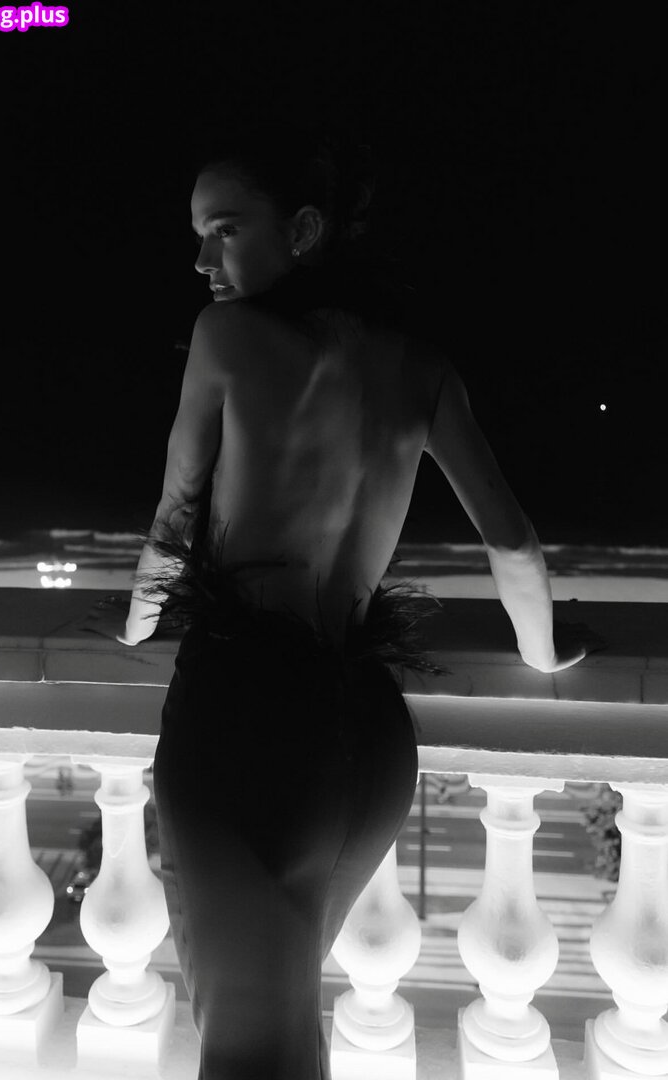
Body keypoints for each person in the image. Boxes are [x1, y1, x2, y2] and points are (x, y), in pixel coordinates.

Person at [119, 125, 599, 1080]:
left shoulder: (227, 338)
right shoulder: (422, 368)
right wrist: (544, 653)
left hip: (245, 725)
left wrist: (135, 627)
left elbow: (176, 516)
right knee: (284, 1035)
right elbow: (513, 544)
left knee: (248, 1047)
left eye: (225, 230)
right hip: (365, 741)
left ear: (302, 230)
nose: (202, 261)